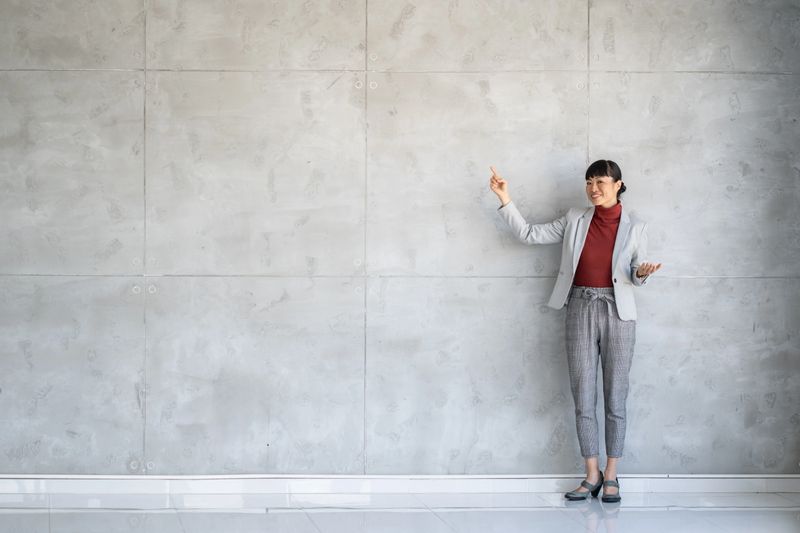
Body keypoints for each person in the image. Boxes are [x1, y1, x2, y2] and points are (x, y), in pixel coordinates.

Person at [489, 160, 662, 503]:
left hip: (618, 311)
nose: (593, 188)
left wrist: (642, 273)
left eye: (600, 182)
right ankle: (591, 474)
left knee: (616, 396)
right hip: (579, 307)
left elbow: (633, 274)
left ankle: (612, 474)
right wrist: (505, 199)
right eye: (588, 182)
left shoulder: (636, 226)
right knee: (583, 394)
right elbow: (529, 234)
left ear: (618, 184)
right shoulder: (574, 219)